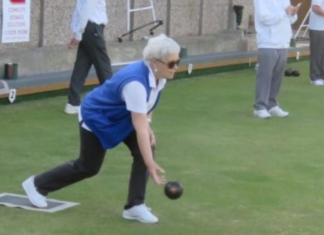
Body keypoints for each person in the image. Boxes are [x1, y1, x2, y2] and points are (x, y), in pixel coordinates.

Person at [22, 34, 181, 224]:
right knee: (88, 166)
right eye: (172, 63)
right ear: (155, 62)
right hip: (97, 117)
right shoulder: (135, 83)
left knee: (146, 146)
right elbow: (139, 126)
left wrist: (148, 127)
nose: (176, 67)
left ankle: (134, 206)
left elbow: (146, 110)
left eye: (178, 61)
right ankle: (37, 185)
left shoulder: (158, 77)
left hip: (121, 117)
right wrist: (150, 165)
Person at [64, 0, 113, 114]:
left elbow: (81, 10)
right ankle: (112, 102)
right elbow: (86, 10)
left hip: (88, 29)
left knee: (81, 66)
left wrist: (77, 32)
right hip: (92, 28)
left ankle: (73, 103)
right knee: (103, 67)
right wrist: (78, 33)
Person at [253, 0, 299, 119]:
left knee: (277, 76)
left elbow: (290, 19)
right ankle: (260, 107)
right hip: (268, 41)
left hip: (283, 41)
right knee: (265, 75)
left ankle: (271, 104)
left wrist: (293, 13)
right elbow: (264, 18)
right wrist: (284, 12)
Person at [309, 0, 324, 86]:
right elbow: (315, 8)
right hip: (317, 27)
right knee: (317, 53)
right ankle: (315, 77)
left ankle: (322, 76)